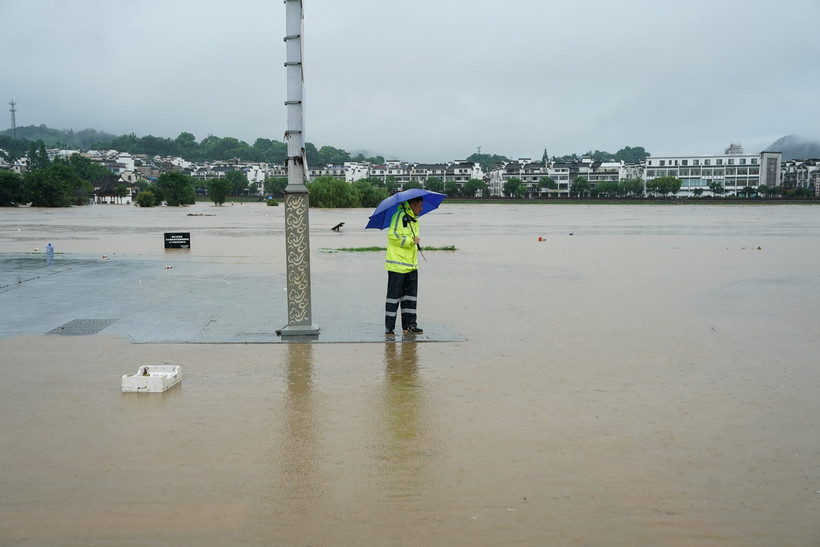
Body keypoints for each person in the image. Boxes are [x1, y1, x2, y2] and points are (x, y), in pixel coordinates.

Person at [384, 196, 424, 336]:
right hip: (397, 266)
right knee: (393, 298)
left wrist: (414, 242)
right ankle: (389, 328)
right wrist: (411, 240)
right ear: (412, 205)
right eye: (420, 206)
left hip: (411, 265)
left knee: (410, 298)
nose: (421, 209)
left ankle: (410, 326)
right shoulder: (399, 216)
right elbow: (393, 236)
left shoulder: (414, 220)